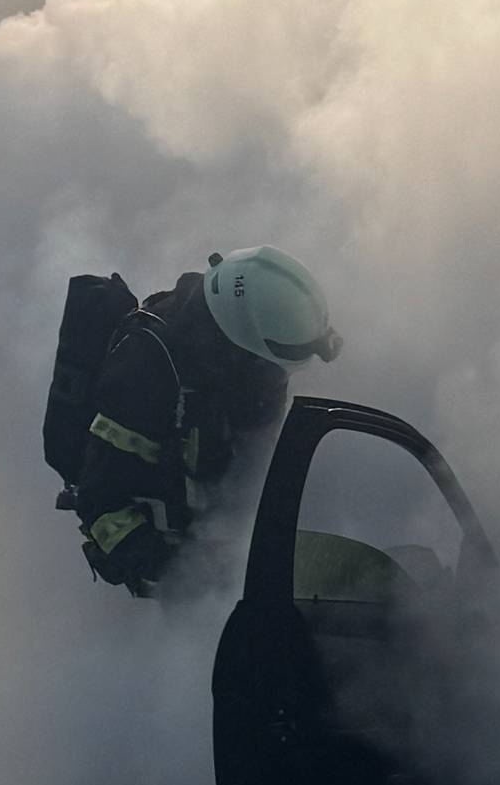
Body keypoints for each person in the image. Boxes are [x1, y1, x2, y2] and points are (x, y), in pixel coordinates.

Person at [73, 245, 341, 596]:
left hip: (230, 549)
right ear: (241, 337)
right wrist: (179, 573)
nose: (278, 374)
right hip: (174, 566)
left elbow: (257, 460)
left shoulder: (246, 358)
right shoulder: (145, 371)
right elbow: (99, 503)